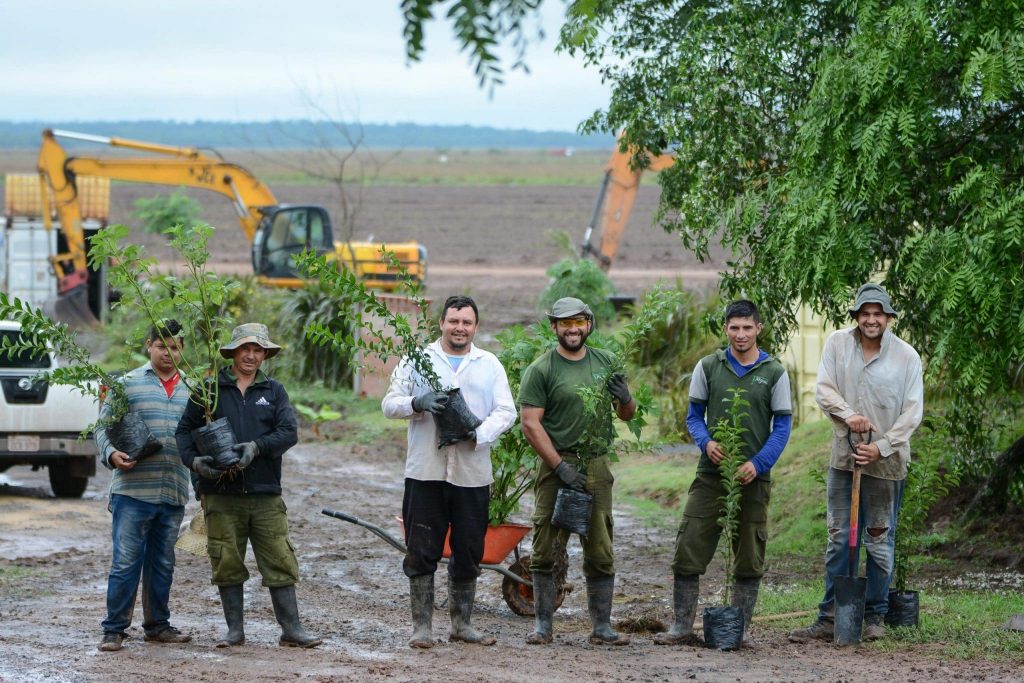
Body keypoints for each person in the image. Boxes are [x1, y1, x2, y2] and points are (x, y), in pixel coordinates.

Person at [789, 283, 923, 643]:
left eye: (878, 313)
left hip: (886, 465)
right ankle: (830, 616)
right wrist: (850, 416)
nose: (871, 319)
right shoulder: (837, 344)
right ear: (857, 317)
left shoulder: (907, 357)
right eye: (865, 313)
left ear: (889, 318)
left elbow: (912, 413)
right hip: (845, 462)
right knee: (838, 538)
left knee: (879, 541)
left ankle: (874, 616)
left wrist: (881, 447)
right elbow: (824, 389)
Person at [655, 300, 792, 648]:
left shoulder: (774, 372)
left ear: (759, 328)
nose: (741, 334)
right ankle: (682, 627)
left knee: (748, 555)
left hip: (752, 478)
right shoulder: (708, 367)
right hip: (711, 475)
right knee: (688, 548)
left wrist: (758, 464)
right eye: (734, 327)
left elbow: (782, 427)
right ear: (726, 329)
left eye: (748, 327)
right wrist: (706, 442)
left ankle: (739, 632)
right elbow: (693, 417)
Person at [381, 295, 516, 648]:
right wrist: (416, 403)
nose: (460, 328)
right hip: (426, 471)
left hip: (472, 473)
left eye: (466, 322)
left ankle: (461, 625)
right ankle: (422, 628)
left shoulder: (489, 364)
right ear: (441, 323)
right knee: (422, 547)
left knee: (469, 548)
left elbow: (507, 411)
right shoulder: (417, 359)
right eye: (453, 321)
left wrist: (479, 432)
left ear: (475, 327)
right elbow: (388, 403)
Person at [175, 323, 321, 649]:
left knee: (279, 558)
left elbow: (288, 433)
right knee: (226, 559)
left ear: (265, 354)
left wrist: (256, 446)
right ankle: (234, 631)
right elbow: (184, 432)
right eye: (245, 349)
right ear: (233, 352)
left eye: (258, 350)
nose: (251, 356)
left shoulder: (274, 391)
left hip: (265, 492)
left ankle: (292, 629)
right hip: (221, 494)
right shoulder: (209, 390)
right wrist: (195, 462)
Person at [518, 297, 636, 646]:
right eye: (565, 323)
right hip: (557, 464)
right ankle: (543, 626)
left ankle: (601, 628)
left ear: (589, 324)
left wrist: (627, 398)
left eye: (579, 322)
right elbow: (530, 423)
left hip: (597, 465)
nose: (573, 329)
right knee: (546, 546)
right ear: (554, 327)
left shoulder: (607, 362)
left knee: (600, 545)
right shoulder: (542, 369)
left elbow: (625, 414)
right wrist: (559, 466)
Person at [94, 319, 192, 652]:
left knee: (163, 562)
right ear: (149, 345)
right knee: (125, 562)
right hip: (133, 492)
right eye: (163, 346)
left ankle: (158, 626)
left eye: (176, 346)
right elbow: (102, 429)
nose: (169, 352)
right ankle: (114, 629)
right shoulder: (127, 385)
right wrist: (112, 454)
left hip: (173, 489)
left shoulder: (195, 389)